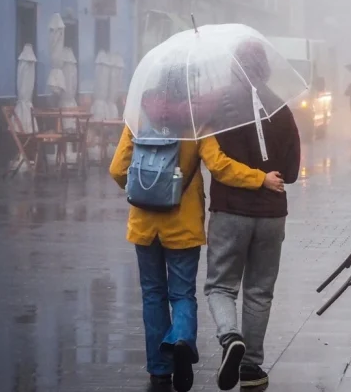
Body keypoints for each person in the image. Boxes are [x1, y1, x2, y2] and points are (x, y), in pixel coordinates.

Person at [110, 68, 283, 392]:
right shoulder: (196, 122)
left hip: (144, 225)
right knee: (182, 294)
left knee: (152, 294)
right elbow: (220, 167)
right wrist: (260, 178)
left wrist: (144, 190)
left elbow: (118, 169)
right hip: (183, 225)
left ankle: (159, 369)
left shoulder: (137, 119)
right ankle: (180, 340)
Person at [204, 43, 301, 391]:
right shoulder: (281, 107)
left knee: (220, 285)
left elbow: (209, 154)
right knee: (260, 290)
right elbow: (291, 172)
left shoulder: (217, 105)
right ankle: (251, 366)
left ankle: (231, 337)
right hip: (272, 214)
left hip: (230, 211)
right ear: (266, 69)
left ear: (234, 67)